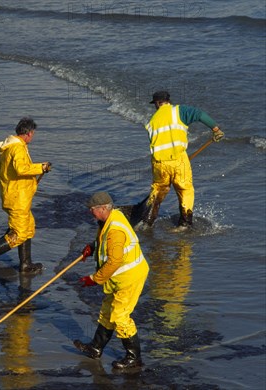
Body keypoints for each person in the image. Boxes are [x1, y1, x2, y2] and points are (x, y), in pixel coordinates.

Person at [73, 191, 150, 370]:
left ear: (102, 208)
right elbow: (106, 241)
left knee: (120, 316)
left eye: (92, 209)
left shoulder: (115, 229)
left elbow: (114, 261)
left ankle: (134, 358)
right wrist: (93, 246)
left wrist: (94, 279)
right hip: (119, 278)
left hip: (129, 277)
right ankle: (95, 347)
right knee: (107, 311)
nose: (90, 212)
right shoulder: (112, 217)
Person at [0, 117, 52, 278]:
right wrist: (40, 167)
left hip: (17, 196)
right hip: (17, 199)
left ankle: (26, 264)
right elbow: (21, 169)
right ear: (28, 133)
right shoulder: (18, 149)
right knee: (19, 234)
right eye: (33, 133)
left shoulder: (11, 147)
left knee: (28, 228)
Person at [143, 90, 224, 227]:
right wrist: (215, 129)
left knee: (158, 190)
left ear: (157, 103)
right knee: (185, 189)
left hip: (158, 163)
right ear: (168, 100)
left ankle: (147, 221)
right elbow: (200, 115)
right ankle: (184, 223)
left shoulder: (152, 121)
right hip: (178, 160)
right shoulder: (178, 111)